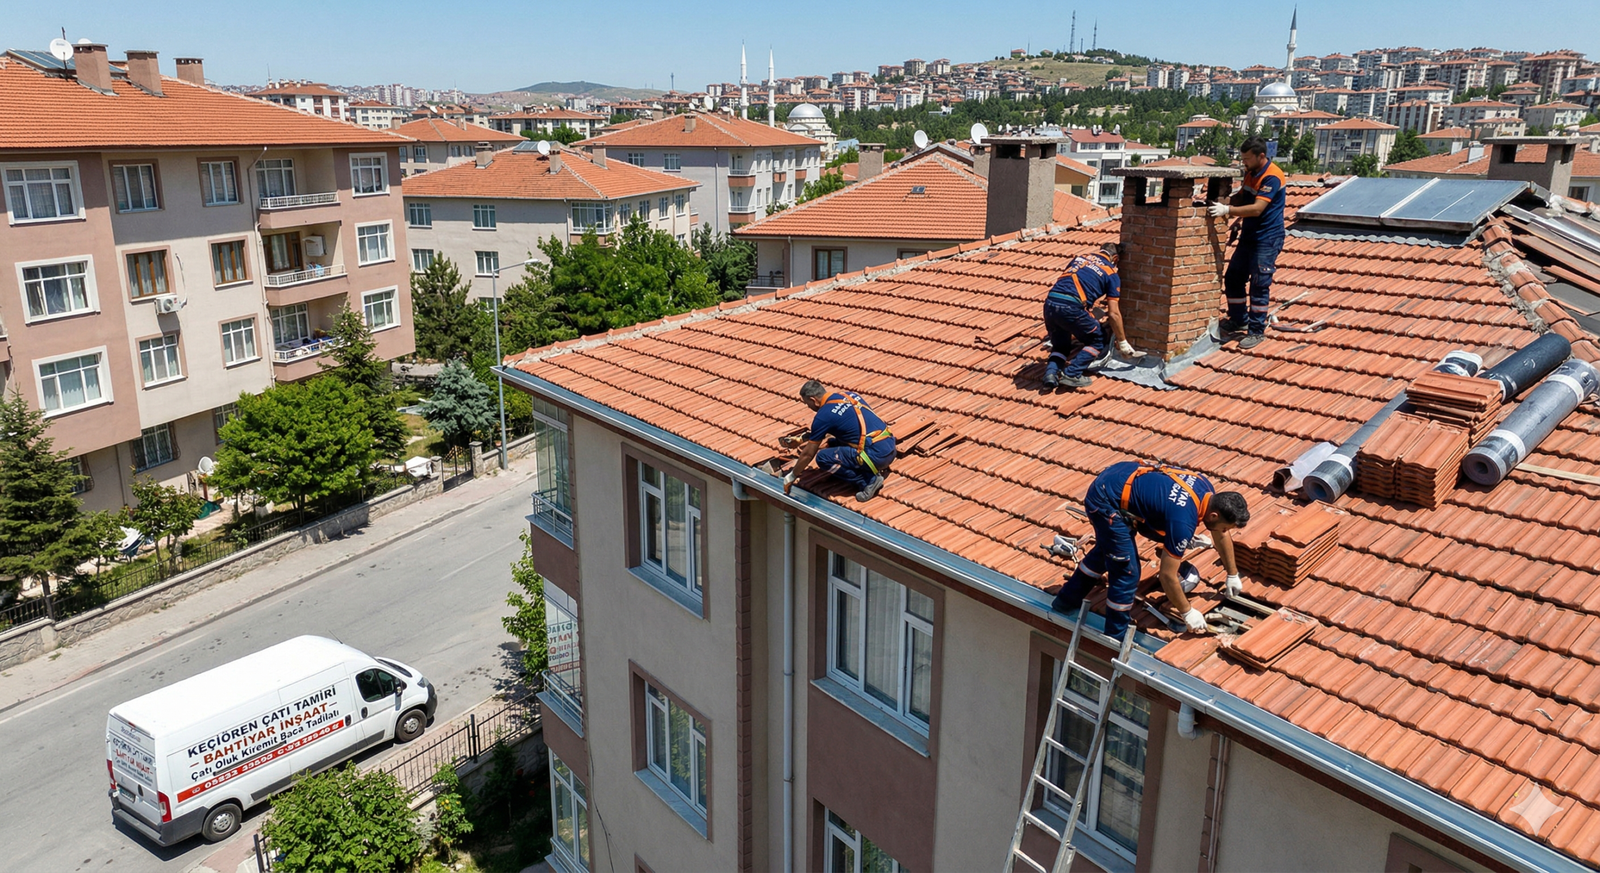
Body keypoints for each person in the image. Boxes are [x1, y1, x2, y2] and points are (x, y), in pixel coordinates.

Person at [1052, 460, 1250, 640]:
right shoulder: (1183, 522)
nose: (1224, 532)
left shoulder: (1205, 487)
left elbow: (1220, 534)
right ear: (1214, 515)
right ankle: (1114, 636)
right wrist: (1187, 612)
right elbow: (1167, 576)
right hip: (1105, 499)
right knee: (1127, 571)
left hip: (1121, 476)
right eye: (1225, 527)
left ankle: (1066, 601)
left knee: (1110, 550)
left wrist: (1232, 573)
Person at [1210, 137, 1287, 350]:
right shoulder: (1251, 172)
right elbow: (1244, 197)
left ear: (1261, 156)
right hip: (1250, 234)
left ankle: (1255, 330)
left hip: (1267, 237)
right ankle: (1238, 319)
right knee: (1234, 277)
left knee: (1259, 283)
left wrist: (1227, 211)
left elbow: (1256, 208)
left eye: (1247, 159)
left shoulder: (1272, 177)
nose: (1244, 162)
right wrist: (1222, 202)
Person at [1041, 242, 1135, 389]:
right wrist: (1122, 342)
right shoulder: (1111, 273)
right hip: (1071, 307)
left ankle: (1051, 374)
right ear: (1115, 258)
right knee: (1097, 339)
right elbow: (1113, 313)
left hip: (1050, 304)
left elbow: (1077, 282)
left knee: (1061, 346)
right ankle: (1072, 374)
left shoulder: (1080, 258)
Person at [783, 380, 896, 501]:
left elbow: (808, 454)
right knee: (832, 442)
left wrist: (792, 475)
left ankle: (868, 481)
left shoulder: (823, 416)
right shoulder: (849, 395)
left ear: (813, 400)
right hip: (889, 446)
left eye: (807, 404)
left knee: (822, 458)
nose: (808, 407)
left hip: (876, 457)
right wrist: (804, 439)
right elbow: (847, 425)